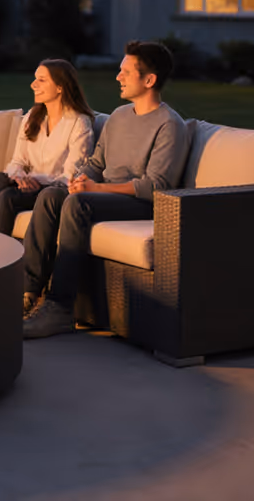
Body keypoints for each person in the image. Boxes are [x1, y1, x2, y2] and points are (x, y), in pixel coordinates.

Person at [19, 40, 191, 338]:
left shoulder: (169, 125)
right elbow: (96, 162)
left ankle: (60, 309)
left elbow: (155, 186)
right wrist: (79, 179)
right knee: (50, 197)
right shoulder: (120, 116)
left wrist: (95, 188)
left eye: (125, 72)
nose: (117, 77)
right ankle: (27, 294)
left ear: (149, 80)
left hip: (140, 204)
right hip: (101, 193)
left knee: (77, 204)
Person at [0, 59, 94, 316]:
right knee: (3, 188)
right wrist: (19, 177)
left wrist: (35, 179)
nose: (33, 84)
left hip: (55, 192)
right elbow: (17, 161)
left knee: (1, 184)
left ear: (61, 87)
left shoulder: (79, 124)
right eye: (35, 78)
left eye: (41, 80)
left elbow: (71, 176)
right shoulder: (33, 116)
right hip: (28, 187)